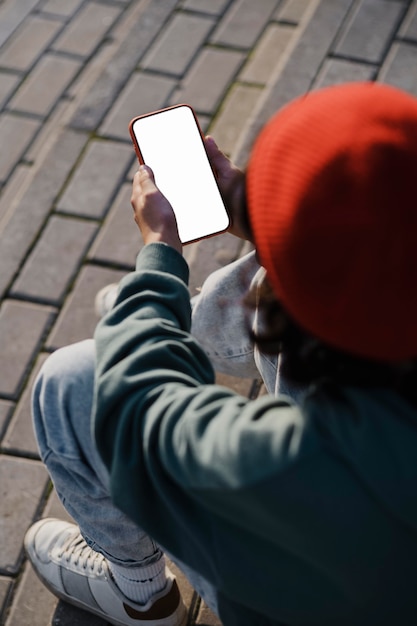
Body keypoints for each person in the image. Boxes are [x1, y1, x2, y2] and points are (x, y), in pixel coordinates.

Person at [24, 81, 417, 626]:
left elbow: (138, 407)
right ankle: (174, 319)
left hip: (294, 590)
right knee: (277, 280)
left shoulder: (286, 464)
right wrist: (260, 213)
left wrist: (159, 261)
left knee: (72, 381)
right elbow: (375, 239)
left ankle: (140, 595)